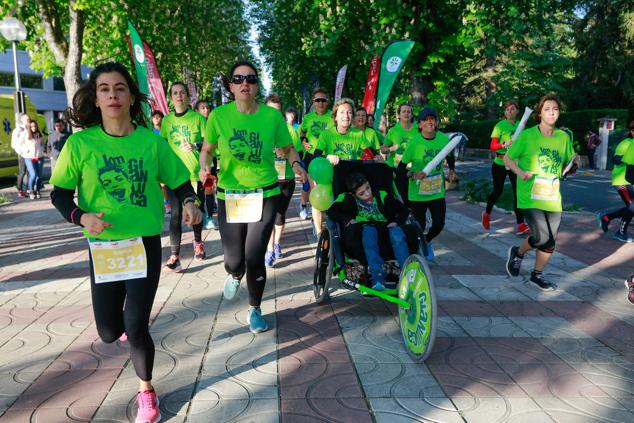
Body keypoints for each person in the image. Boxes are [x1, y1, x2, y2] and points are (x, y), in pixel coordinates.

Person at [50, 61, 201, 423]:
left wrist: (191, 202)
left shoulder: (150, 141)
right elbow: (59, 194)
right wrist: (81, 217)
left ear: (131, 97)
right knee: (108, 331)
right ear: (95, 98)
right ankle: (124, 332)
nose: (113, 95)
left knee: (135, 326)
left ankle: (146, 390)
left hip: (142, 244)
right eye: (105, 89)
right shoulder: (80, 143)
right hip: (102, 249)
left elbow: (180, 180)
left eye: (120, 88)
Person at [200, 61, 307, 333]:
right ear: (231, 86)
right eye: (238, 79)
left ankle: (255, 309)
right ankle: (235, 274)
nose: (244, 83)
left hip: (265, 193)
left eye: (250, 78)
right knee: (234, 261)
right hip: (230, 196)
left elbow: (289, 148)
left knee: (254, 255)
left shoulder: (271, 118)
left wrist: (296, 165)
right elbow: (207, 148)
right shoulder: (218, 116)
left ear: (257, 85)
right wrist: (204, 165)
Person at [504, 94, 578, 291]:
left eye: (555, 108)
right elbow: (508, 159)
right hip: (530, 196)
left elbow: (569, 161)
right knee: (542, 237)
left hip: (552, 197)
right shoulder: (528, 136)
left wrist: (573, 163)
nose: (552, 112)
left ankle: (537, 275)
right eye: (547, 109)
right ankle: (518, 252)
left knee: (550, 241)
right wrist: (520, 172)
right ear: (539, 113)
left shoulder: (563, 137)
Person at [328, 172, 410, 291]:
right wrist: (347, 219)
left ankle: (407, 274)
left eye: (368, 188)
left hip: (386, 228)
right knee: (369, 234)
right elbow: (332, 211)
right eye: (362, 193)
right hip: (366, 228)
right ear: (354, 194)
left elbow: (403, 209)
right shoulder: (346, 196)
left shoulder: (381, 194)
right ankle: (378, 278)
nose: (367, 193)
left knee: (397, 233)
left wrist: (396, 222)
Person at [160, 81, 208, 271]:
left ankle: (198, 243)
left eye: (182, 93)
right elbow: (162, 147)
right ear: (171, 98)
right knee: (175, 215)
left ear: (188, 97)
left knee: (195, 212)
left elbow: (210, 143)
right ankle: (175, 256)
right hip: (173, 177)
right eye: (175, 93)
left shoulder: (198, 119)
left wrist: (195, 145)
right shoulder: (167, 121)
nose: (179, 96)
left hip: (195, 175)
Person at [398, 107, 452, 261]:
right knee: (419, 226)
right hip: (418, 193)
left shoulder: (443, 138)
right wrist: (413, 174)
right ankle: (416, 252)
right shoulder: (414, 142)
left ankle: (427, 241)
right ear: (420, 124)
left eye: (432, 118)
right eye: (425, 119)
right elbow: (400, 169)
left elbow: (450, 154)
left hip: (436, 191)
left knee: (439, 224)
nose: (430, 121)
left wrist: (452, 169)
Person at [263, 94, 302, 267]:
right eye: (270, 110)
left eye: (277, 111)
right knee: (268, 216)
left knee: (280, 215)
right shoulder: (260, 128)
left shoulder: (290, 130)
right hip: (267, 179)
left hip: (286, 178)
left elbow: (296, 151)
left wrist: (286, 154)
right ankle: (269, 250)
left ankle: (276, 242)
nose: (274, 114)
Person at [482, 101, 529, 234]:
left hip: (515, 164)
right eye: (507, 110)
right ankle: (487, 214)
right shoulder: (499, 126)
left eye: (512, 109)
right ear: (504, 113)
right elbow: (492, 146)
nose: (509, 112)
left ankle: (520, 224)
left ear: (517, 111)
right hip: (500, 163)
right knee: (498, 190)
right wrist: (504, 144)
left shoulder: (521, 126)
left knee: (517, 193)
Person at [299, 88, 333, 227]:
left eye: (323, 100)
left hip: (327, 157)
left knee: (328, 189)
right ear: (313, 102)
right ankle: (317, 221)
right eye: (317, 100)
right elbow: (302, 131)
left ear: (328, 101)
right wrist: (303, 141)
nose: (320, 103)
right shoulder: (308, 118)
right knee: (314, 189)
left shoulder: (333, 116)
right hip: (311, 157)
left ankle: (327, 219)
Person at [597, 122, 634, 242]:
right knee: (632, 207)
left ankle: (606, 217)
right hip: (621, 179)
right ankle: (620, 233)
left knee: (632, 207)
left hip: (631, 181)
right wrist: (629, 158)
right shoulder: (626, 143)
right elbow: (616, 160)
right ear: (632, 131)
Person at [315, 98, 378, 167]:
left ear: (353, 117)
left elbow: (372, 152)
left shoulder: (359, 134)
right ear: (335, 116)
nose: (346, 115)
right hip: (332, 174)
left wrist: (378, 157)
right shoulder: (325, 134)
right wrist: (327, 157)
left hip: (351, 173)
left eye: (349, 112)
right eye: (342, 112)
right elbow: (316, 156)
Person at [382, 103, 418, 167]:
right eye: (403, 112)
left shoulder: (419, 129)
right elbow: (383, 150)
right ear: (399, 115)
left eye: (408, 112)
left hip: (413, 168)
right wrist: (391, 148)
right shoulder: (393, 131)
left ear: (412, 115)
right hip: (395, 167)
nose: (406, 113)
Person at [22, 118, 46, 199]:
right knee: (33, 174)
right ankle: (31, 190)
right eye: (32, 127)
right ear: (29, 127)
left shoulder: (40, 134)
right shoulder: (26, 134)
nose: (34, 128)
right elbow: (19, 144)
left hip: (39, 157)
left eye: (35, 126)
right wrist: (23, 151)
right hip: (29, 157)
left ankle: (37, 190)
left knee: (39, 176)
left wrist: (42, 150)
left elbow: (43, 143)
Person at [11, 113, 30, 197]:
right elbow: (14, 143)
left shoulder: (29, 128)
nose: (28, 121)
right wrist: (20, 152)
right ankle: (19, 189)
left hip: (30, 154)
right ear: (22, 120)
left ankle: (27, 190)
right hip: (22, 154)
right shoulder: (17, 130)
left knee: (29, 172)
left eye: (28, 119)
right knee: (22, 172)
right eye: (26, 119)